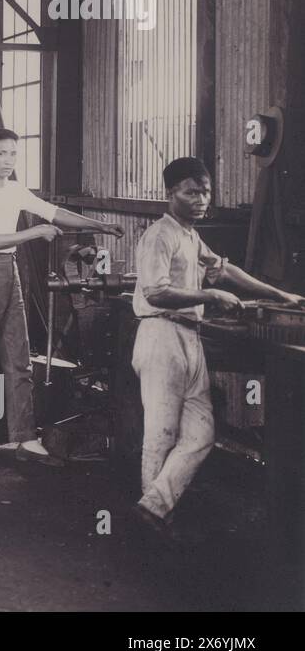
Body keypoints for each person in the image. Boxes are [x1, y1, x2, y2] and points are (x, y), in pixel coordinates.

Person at [130, 157, 304, 539]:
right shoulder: (160, 235)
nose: (200, 199)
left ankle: (153, 506)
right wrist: (208, 293)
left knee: (201, 434)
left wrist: (282, 295)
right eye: (191, 192)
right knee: (161, 432)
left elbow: (225, 270)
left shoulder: (190, 235)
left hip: (190, 338)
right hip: (161, 336)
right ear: (169, 193)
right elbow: (155, 292)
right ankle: (154, 519)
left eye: (205, 191)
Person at [0, 128, 122, 463]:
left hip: (11, 271)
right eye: (2, 153)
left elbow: (53, 213)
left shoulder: (16, 190)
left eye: (14, 154)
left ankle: (24, 435)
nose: (8, 160)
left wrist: (99, 225)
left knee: (19, 358)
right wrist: (35, 231)